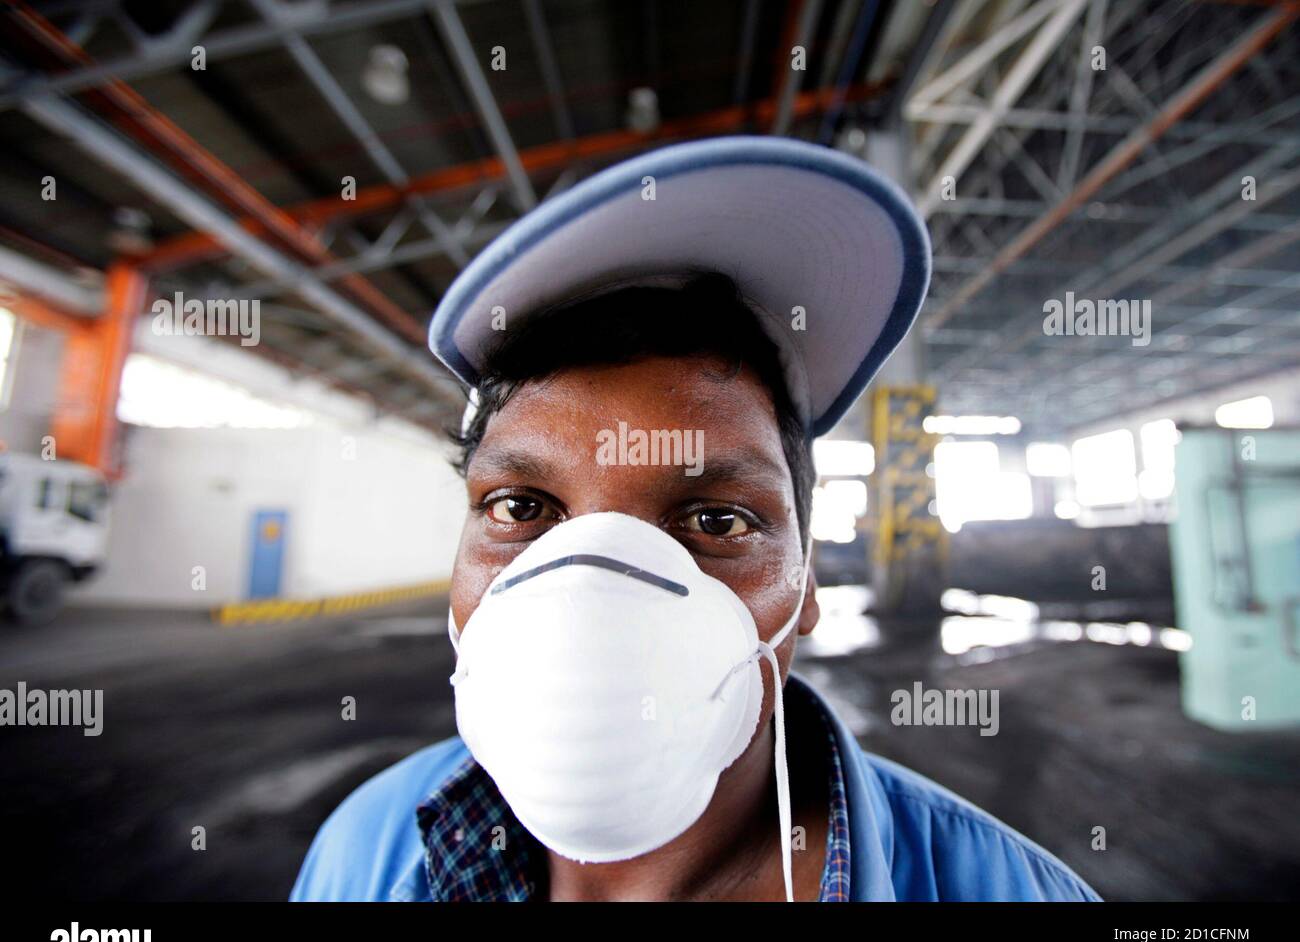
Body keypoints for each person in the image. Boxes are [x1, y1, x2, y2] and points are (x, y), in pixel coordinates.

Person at [291, 136, 1099, 902]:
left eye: (716, 520)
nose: (593, 604)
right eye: (521, 508)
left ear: (807, 582)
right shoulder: (361, 851)